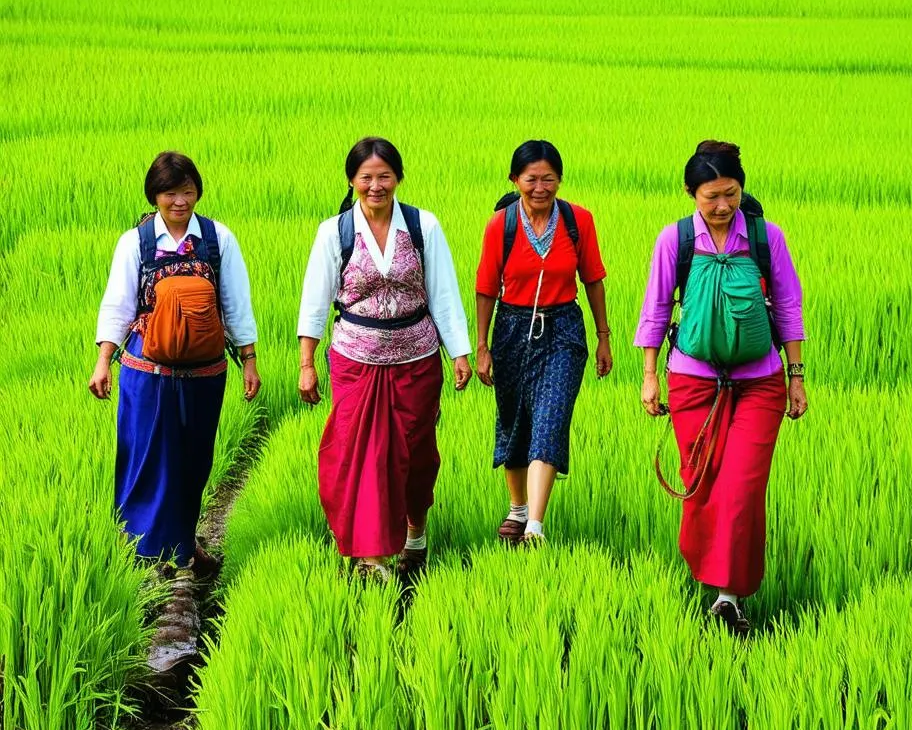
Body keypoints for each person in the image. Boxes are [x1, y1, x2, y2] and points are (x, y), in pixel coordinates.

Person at [635, 140, 806, 637]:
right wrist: (649, 375)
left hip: (760, 383)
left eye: (731, 194)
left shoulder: (765, 236)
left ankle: (727, 599)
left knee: (742, 487)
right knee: (703, 482)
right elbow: (656, 308)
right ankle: (710, 578)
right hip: (693, 381)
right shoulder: (676, 240)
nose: (723, 206)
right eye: (711, 196)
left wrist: (796, 378)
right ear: (691, 193)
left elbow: (790, 308)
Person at [297, 137, 472, 584]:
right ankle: (372, 555)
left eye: (384, 177)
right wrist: (307, 361)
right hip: (355, 359)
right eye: (366, 177)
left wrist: (460, 353)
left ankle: (415, 530)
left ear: (398, 178)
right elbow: (315, 302)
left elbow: (444, 294)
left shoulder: (422, 226)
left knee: (415, 455)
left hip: (417, 358)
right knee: (364, 454)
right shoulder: (333, 232)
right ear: (352, 180)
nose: (376, 186)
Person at [89, 151, 260, 574]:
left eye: (187, 191)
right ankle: (143, 555)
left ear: (198, 192)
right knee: (145, 460)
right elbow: (118, 305)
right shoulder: (137, 242)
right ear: (155, 195)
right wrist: (103, 362)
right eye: (170, 192)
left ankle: (182, 545)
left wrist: (250, 361)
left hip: (204, 374)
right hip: (148, 373)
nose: (180, 200)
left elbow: (235, 304)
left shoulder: (219, 240)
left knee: (193, 460)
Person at [475, 140, 612, 545]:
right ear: (514, 179)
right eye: (531, 179)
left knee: (551, 417)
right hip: (512, 327)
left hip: (563, 329)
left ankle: (534, 524)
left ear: (560, 179)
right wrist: (482, 346)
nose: (540, 187)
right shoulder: (501, 225)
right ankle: (517, 508)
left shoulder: (578, 220)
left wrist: (604, 337)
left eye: (548, 179)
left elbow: (593, 278)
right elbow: (486, 287)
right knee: (514, 419)